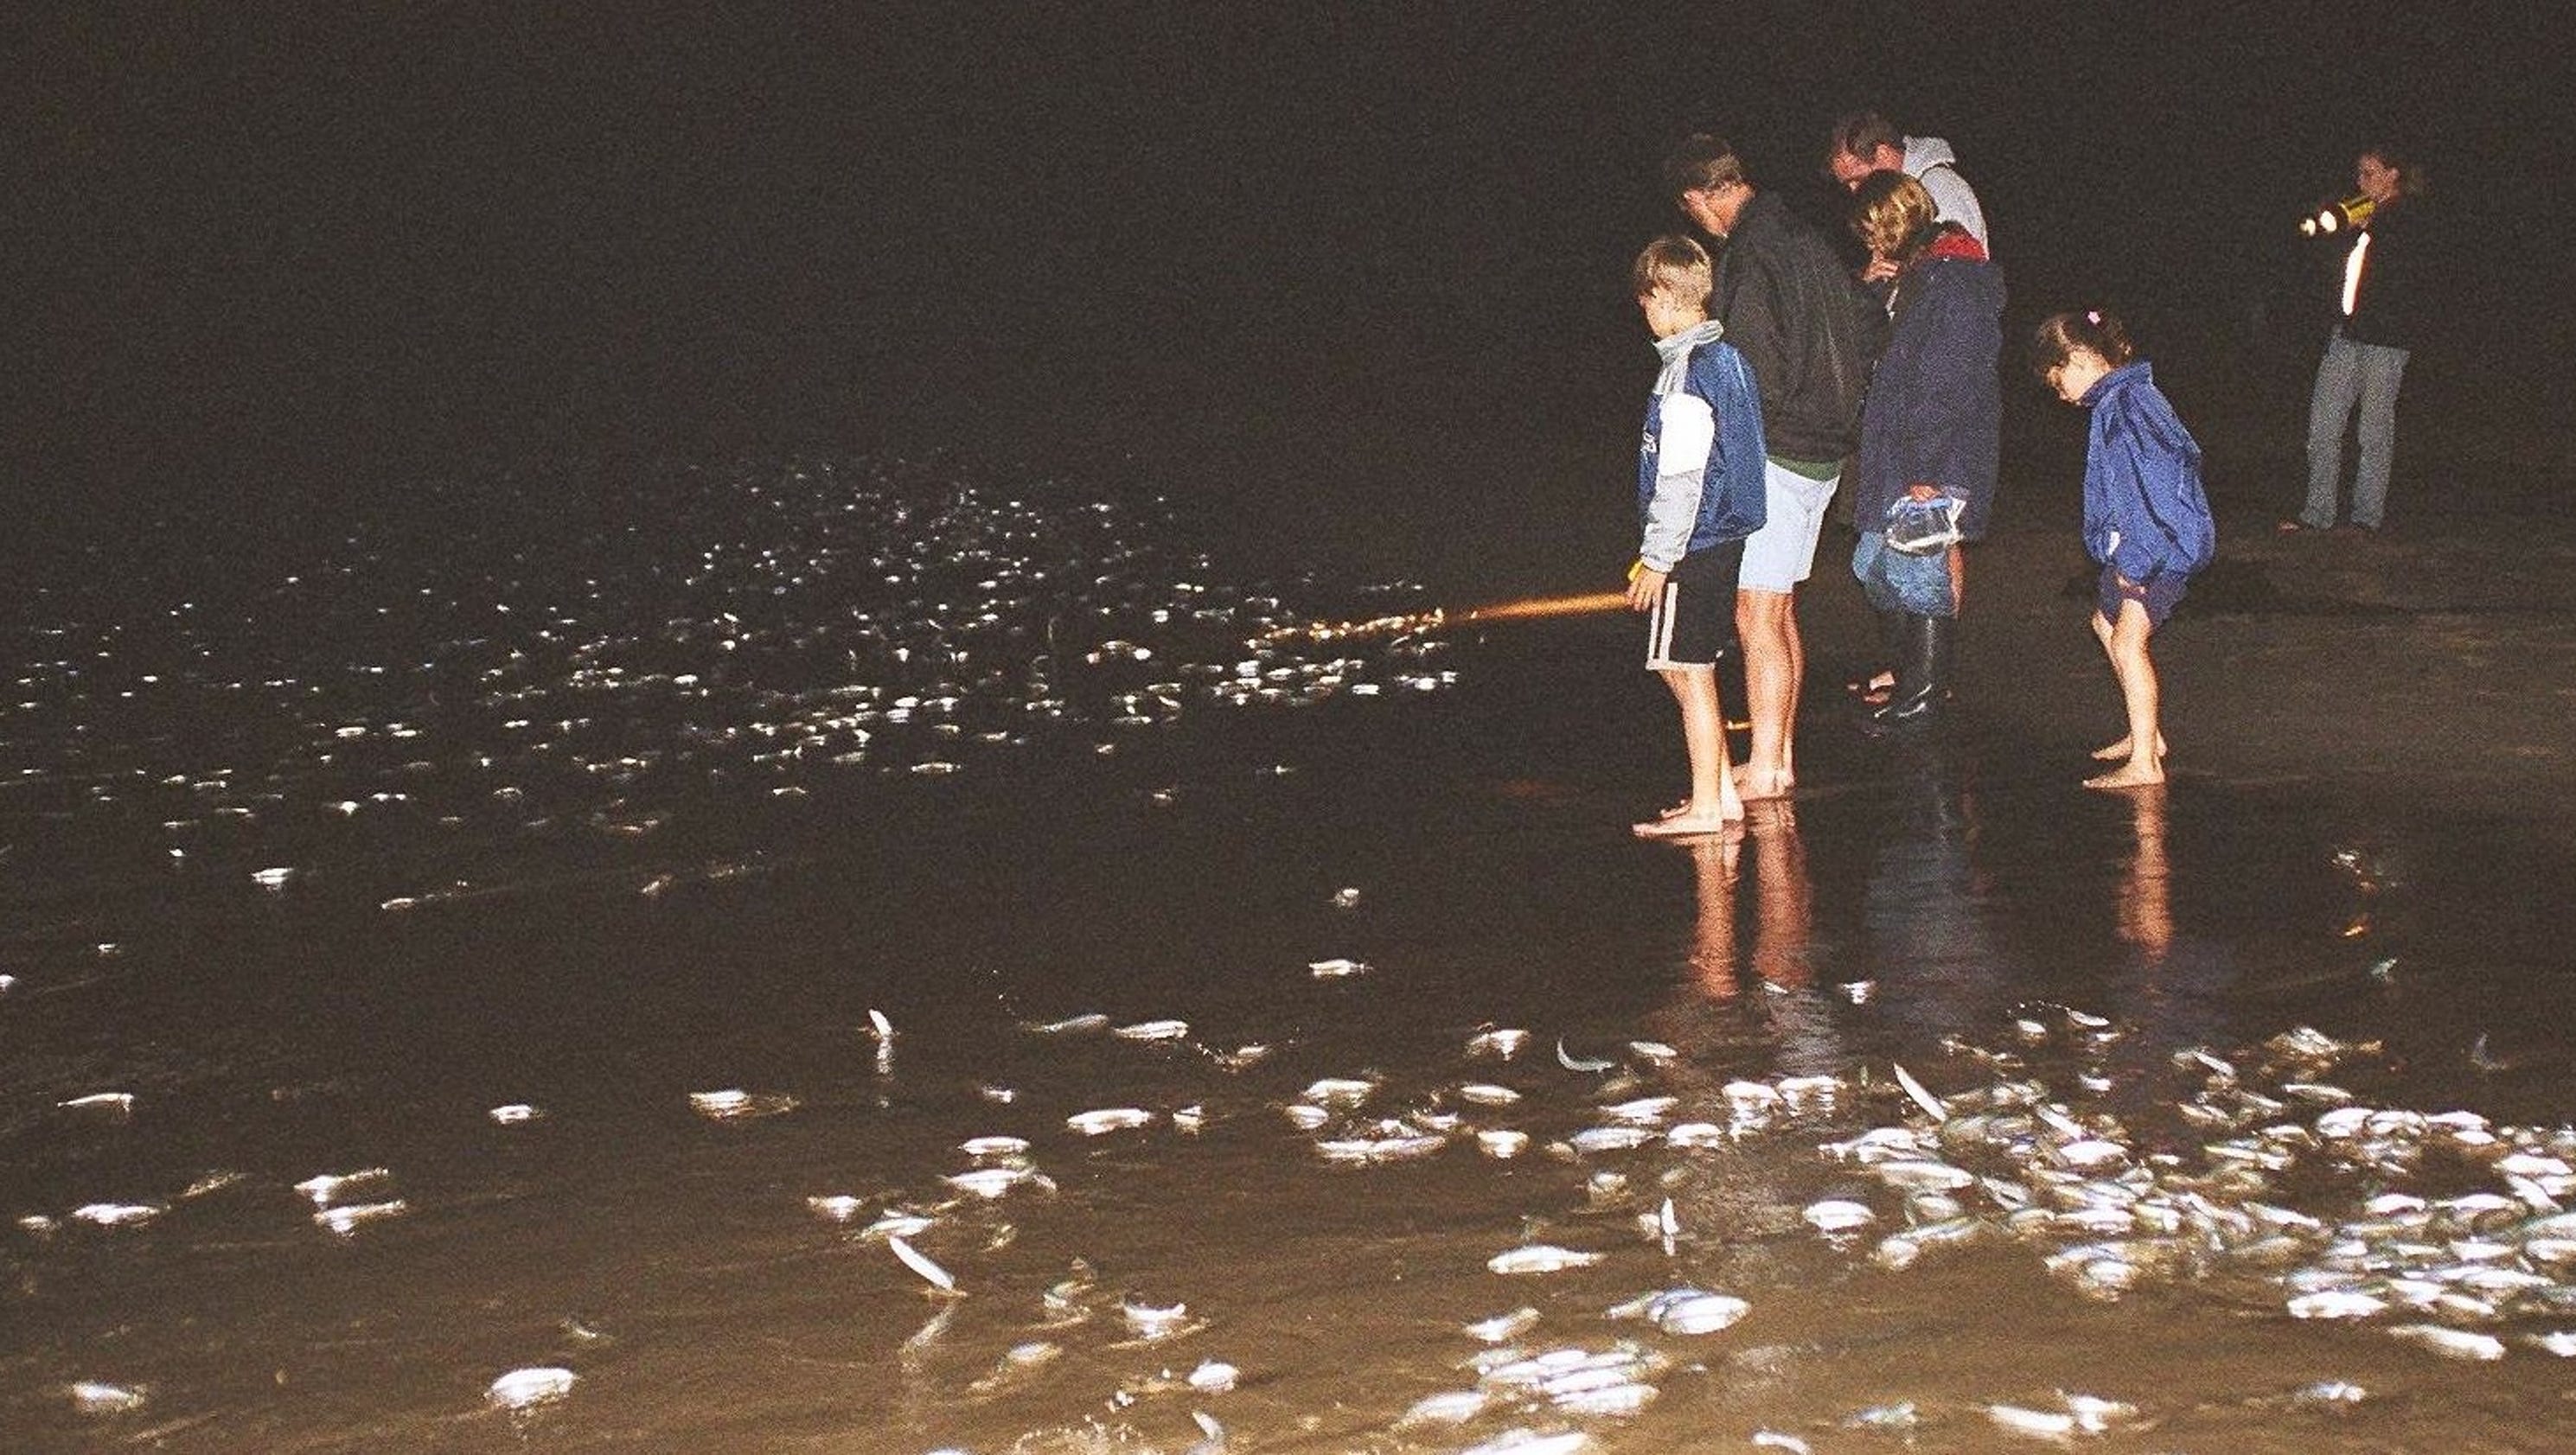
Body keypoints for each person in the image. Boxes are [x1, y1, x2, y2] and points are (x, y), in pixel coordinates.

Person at [1665, 133, 1882, 801]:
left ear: (1701, 198)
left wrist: (1726, 457)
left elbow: (1752, 373)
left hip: (1780, 449)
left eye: (1691, 210)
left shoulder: (1753, 255)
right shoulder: (1806, 237)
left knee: (1753, 613)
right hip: (1823, 446)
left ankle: (1765, 764)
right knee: (1778, 608)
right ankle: (1776, 755)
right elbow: (1863, 324)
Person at [1844, 172, 2004, 734]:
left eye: (1871, 231)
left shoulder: (1953, 282)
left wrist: (1926, 471)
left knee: (1918, 573)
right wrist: (1868, 290)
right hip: (1898, 455)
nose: (1869, 244)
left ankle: (1923, 698)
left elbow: (1945, 382)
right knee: (1872, 565)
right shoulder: (1915, 277)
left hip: (1930, 460)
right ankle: (1912, 682)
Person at [2030, 309, 2215, 789]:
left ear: (2081, 359)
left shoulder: (2128, 408)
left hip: (2159, 547)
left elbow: (2148, 490)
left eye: (2057, 381)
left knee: (2129, 641)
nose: (2060, 395)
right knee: (2104, 622)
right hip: (2141, 543)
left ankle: (2146, 763)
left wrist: (2136, 563)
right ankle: (2145, 736)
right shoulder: (2122, 400)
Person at [1624, 234, 1770, 837]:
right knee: (1690, 666)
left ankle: (1705, 803)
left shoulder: (1686, 375)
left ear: (1662, 297)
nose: (1645, 317)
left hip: (1692, 543)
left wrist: (1657, 557)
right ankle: (1719, 798)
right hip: (1723, 538)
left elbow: (1681, 478)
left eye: (1646, 304)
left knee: (1685, 670)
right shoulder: (1729, 360)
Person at [2284, 144, 2427, 535]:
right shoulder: (2363, 213)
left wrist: (2371, 225)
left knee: (2373, 431)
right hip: (2347, 332)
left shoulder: (2407, 216)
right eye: (2359, 173)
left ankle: (2366, 518)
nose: (2360, 181)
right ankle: (2317, 514)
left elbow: (2407, 272)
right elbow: (2333, 263)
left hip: (2387, 338)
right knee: (2324, 425)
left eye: (2369, 173)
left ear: (2392, 175)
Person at [1825, 111, 1991, 282]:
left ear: (1883, 154)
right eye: (1848, 185)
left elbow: (1962, 276)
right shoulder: (1898, 201)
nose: (1854, 191)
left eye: (1857, 179)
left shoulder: (1938, 186)